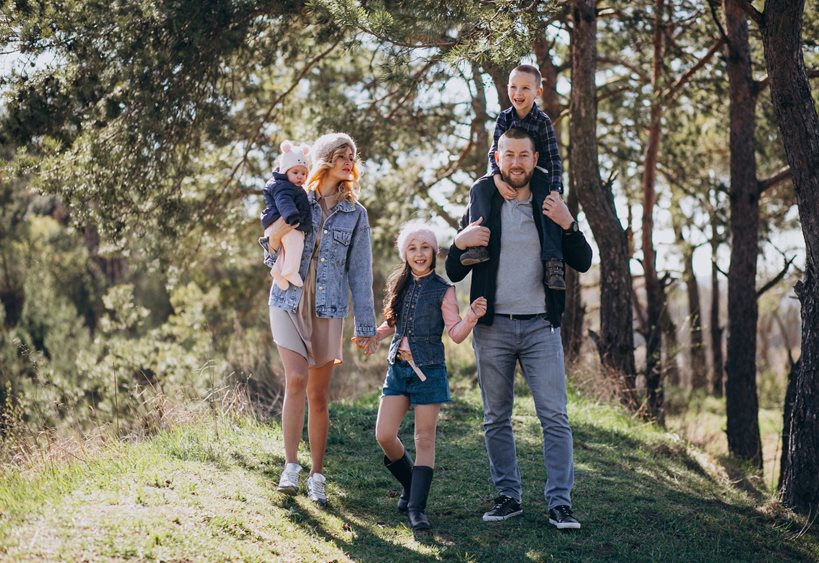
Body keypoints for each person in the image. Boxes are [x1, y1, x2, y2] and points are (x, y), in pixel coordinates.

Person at [445, 127, 592, 529]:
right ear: (498, 157)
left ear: (534, 159)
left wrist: (570, 222)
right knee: (496, 417)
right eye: (508, 155)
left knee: (555, 417)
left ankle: (560, 503)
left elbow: (583, 260)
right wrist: (460, 240)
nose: (515, 162)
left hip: (541, 327)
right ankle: (508, 497)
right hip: (492, 328)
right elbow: (453, 269)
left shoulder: (550, 203)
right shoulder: (484, 200)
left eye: (523, 155)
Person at [262, 132, 376, 507]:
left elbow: (360, 273)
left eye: (352, 157)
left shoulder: (356, 215)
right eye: (342, 155)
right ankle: (291, 467)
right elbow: (268, 249)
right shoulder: (297, 197)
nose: (348, 162)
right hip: (288, 298)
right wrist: (275, 235)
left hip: (328, 308)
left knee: (319, 395)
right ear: (326, 159)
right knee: (295, 379)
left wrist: (365, 327)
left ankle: (317, 475)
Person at [362, 223, 486, 531]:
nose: (419, 254)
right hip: (398, 369)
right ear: (405, 253)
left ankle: (417, 508)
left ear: (434, 252)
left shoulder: (443, 289)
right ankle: (409, 486)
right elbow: (393, 323)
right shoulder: (400, 285)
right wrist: (375, 335)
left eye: (425, 248)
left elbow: (455, 334)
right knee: (384, 434)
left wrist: (471, 316)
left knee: (424, 439)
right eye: (413, 248)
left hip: (428, 371)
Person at [461, 64, 567, 292]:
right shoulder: (504, 118)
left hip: (537, 174)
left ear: (537, 92)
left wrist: (556, 190)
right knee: (479, 188)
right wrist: (497, 179)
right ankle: (477, 245)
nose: (518, 93)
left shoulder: (542, 121)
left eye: (525, 88)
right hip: (504, 173)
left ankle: (553, 262)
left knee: (547, 206)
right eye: (513, 87)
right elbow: (493, 153)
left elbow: (553, 158)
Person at [261, 140, 313, 290]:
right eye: (295, 172)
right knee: (296, 244)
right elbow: (284, 202)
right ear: (285, 171)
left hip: (279, 222)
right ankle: (290, 271)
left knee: (285, 250)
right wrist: (291, 216)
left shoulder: (290, 186)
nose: (300, 177)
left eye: (303, 173)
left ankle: (277, 271)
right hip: (285, 221)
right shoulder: (283, 187)